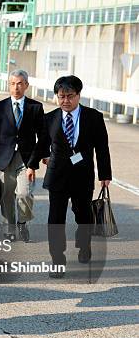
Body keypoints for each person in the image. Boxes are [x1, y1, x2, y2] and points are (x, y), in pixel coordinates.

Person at [38, 75, 112, 278]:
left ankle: (84, 244)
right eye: (61, 97)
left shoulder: (93, 117)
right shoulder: (50, 118)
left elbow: (102, 148)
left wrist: (105, 174)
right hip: (57, 177)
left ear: (79, 95)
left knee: (84, 215)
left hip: (83, 176)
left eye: (69, 96)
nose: (65, 101)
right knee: (55, 219)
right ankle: (57, 260)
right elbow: (43, 143)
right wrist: (41, 158)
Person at [0, 69, 45, 242]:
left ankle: (22, 222)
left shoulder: (35, 107)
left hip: (26, 159)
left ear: (26, 85)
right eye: (12, 83)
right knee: (6, 196)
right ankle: (9, 230)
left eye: (20, 83)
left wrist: (36, 162)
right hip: (4, 157)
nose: (16, 87)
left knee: (24, 194)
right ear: (8, 85)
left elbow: (43, 136)